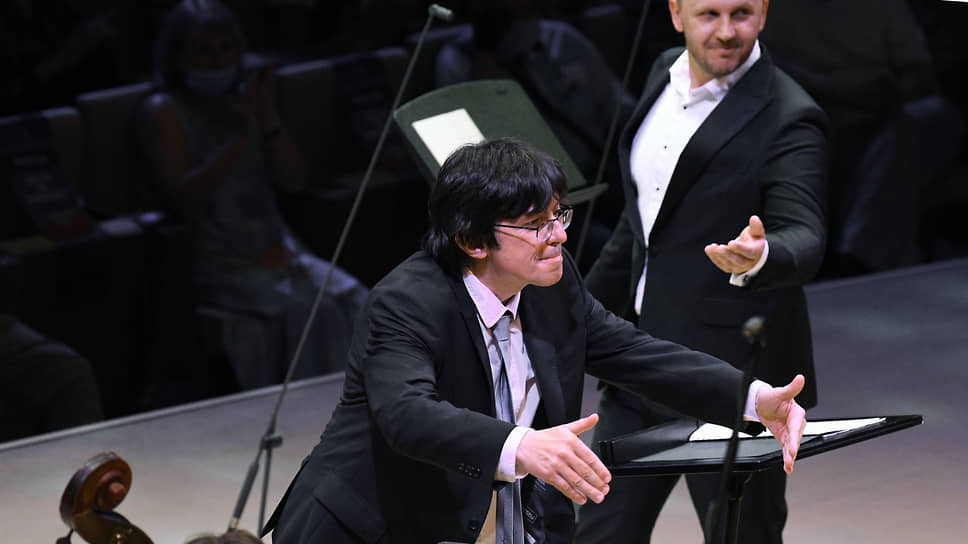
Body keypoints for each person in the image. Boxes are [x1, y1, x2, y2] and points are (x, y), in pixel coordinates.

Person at [263, 138, 808, 543]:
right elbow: (406, 414)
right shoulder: (406, 302)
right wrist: (521, 444)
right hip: (367, 525)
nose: (560, 235)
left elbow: (631, 351)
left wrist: (753, 397)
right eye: (536, 225)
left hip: (480, 523)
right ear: (472, 240)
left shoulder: (551, 284)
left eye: (558, 215)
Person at [574, 1, 827, 543]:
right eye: (709, 14)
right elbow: (642, 225)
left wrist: (763, 255)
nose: (727, 31)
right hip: (640, 364)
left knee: (740, 536)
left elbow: (804, 234)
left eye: (742, 13)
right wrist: (565, 311)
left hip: (734, 382)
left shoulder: (790, 113)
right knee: (600, 534)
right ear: (676, 13)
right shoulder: (662, 72)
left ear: (764, 11)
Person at [137, 0, 369, 389]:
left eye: (226, 48)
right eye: (204, 51)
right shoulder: (164, 111)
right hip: (218, 259)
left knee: (359, 301)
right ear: (178, 57)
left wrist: (268, 121)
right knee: (310, 313)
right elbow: (185, 200)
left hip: (280, 249)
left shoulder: (246, 101)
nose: (217, 60)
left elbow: (294, 181)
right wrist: (241, 137)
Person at [758, 0, 962, 277]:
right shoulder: (772, 8)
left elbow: (918, 72)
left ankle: (859, 258)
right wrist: (844, 92)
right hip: (807, 109)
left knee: (926, 120)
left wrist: (890, 95)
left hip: (886, 115)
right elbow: (761, 66)